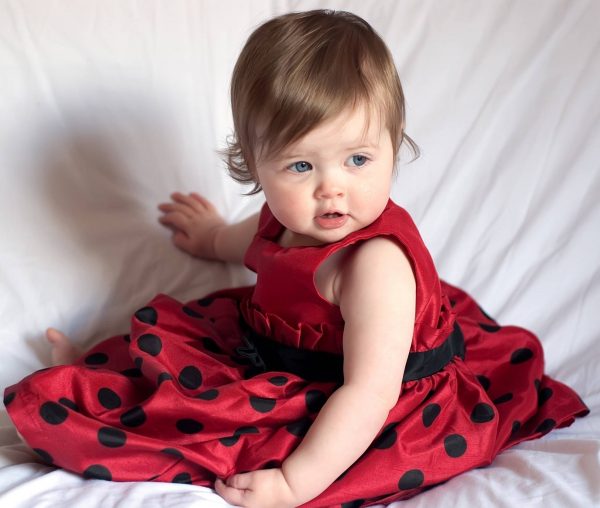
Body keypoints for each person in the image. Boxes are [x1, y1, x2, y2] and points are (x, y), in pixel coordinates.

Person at [3, 9, 589, 508]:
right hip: (272, 349)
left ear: (393, 141)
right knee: (170, 342)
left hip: (357, 400)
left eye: (357, 160)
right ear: (255, 167)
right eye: (300, 167)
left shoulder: (373, 265)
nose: (331, 189)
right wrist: (208, 238)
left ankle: (95, 415)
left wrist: (293, 483)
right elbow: (246, 244)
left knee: (219, 438)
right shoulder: (284, 221)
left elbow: (367, 394)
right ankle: (92, 379)